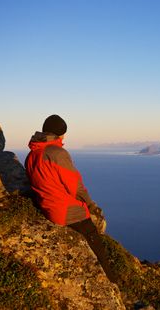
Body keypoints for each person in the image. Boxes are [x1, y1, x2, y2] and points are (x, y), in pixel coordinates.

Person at [24, 114, 116, 283]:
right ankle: (113, 286)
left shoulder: (31, 156)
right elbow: (76, 187)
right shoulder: (57, 153)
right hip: (69, 213)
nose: (64, 137)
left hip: (48, 210)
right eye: (63, 133)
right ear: (59, 134)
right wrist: (91, 205)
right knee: (99, 253)